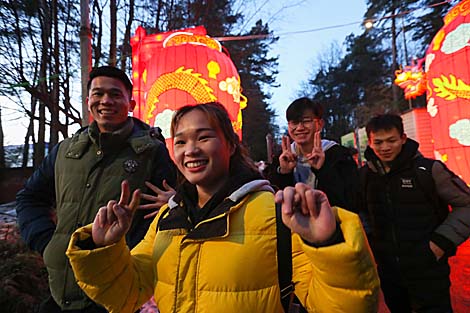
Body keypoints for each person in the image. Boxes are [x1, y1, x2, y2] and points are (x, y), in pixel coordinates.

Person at [65, 102, 379, 313]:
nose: (191, 150)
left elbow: (341, 305)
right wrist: (103, 249)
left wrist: (327, 244)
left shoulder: (273, 214)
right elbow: (127, 295)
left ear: (229, 144)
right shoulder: (167, 216)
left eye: (203, 138)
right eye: (180, 141)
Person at [15, 66, 176, 313]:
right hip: (59, 289)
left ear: (130, 103)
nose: (105, 101)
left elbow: (163, 216)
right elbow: (29, 198)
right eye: (98, 94)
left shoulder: (152, 153)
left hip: (113, 293)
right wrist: (46, 241)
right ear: (88, 100)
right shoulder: (66, 151)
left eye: (115, 94)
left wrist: (128, 254)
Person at [360, 113, 470, 313]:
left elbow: (466, 205)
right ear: (370, 142)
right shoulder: (365, 175)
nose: (385, 148)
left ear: (403, 138)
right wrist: (371, 241)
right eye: (378, 142)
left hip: (429, 272)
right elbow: (357, 210)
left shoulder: (428, 170)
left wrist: (439, 243)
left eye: (391, 140)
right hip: (389, 274)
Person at [265, 97, 359, 212]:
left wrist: (322, 169)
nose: (299, 128)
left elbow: (350, 201)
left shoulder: (338, 155)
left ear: (319, 123)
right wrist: (284, 173)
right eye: (294, 123)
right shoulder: (282, 158)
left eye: (306, 121)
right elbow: (274, 201)